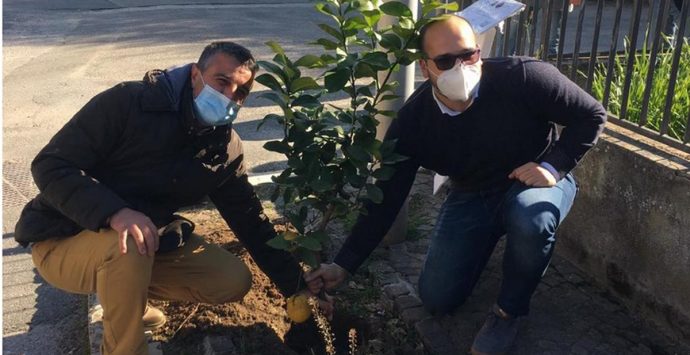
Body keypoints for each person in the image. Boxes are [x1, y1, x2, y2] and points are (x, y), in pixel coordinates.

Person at [306, 15, 606, 354]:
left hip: (536, 183)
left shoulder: (522, 76)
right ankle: (493, 243)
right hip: (472, 195)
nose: (460, 67)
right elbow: (386, 198)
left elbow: (591, 114)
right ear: (425, 67)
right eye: (445, 61)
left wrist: (553, 167)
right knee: (437, 298)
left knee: (530, 218)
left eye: (468, 55)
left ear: (479, 52)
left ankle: (509, 311)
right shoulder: (413, 123)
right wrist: (344, 264)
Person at [14, 41, 328, 355]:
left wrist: (297, 285)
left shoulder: (223, 147)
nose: (229, 96)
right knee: (131, 239)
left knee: (231, 279)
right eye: (222, 82)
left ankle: (128, 302)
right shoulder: (129, 103)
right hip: (62, 241)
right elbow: (51, 165)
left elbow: (250, 219)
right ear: (195, 74)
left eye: (240, 92)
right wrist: (115, 212)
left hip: (134, 246)